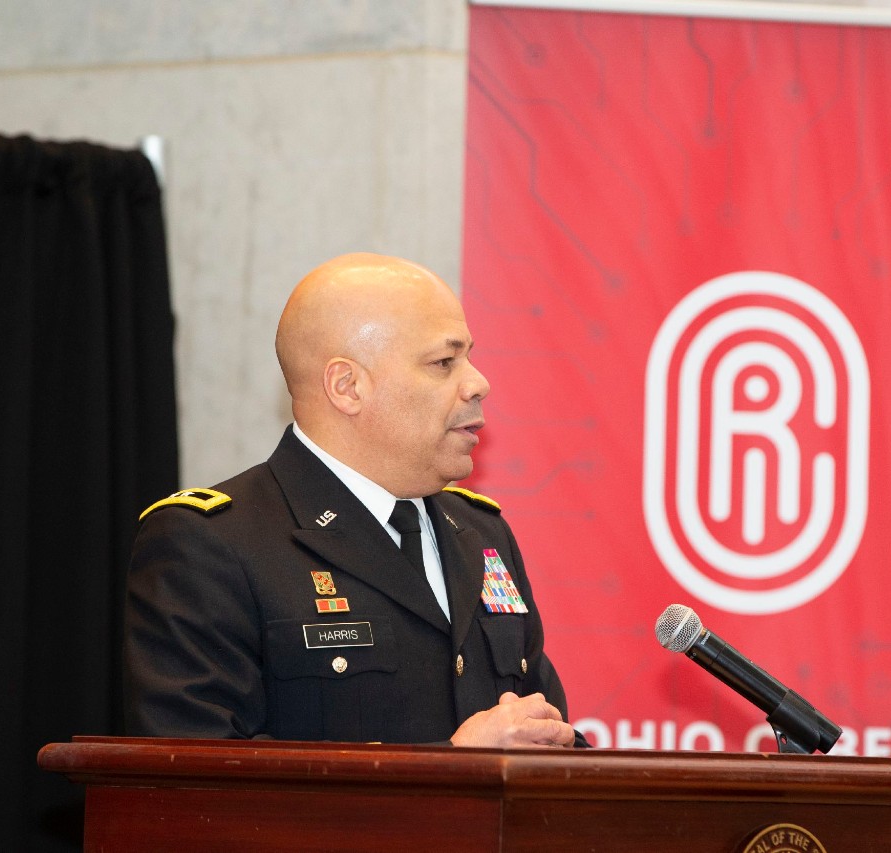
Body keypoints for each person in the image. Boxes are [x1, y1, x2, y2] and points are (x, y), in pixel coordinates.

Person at [124, 252, 581, 748]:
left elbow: (548, 733)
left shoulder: (481, 533)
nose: (477, 383)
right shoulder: (211, 544)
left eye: (468, 357)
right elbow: (198, 783)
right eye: (444, 362)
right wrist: (453, 767)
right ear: (347, 387)